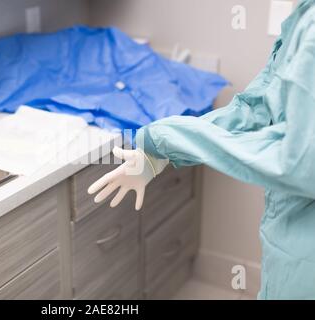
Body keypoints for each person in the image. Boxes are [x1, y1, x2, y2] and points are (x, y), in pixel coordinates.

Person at [88, 0, 315, 300]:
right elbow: (255, 107)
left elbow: (299, 162)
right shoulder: (302, 17)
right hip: (288, 240)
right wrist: (158, 153)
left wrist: (168, 140)